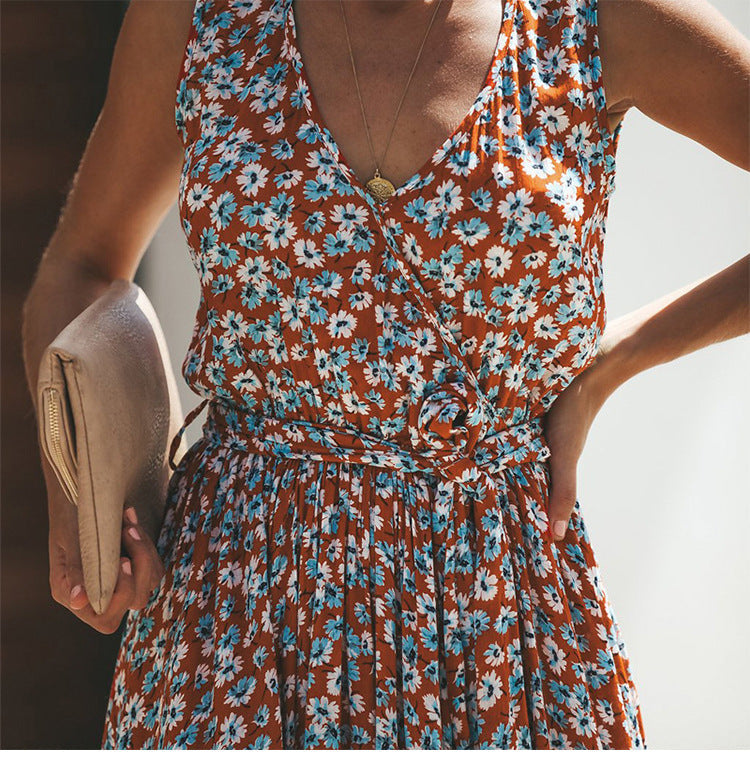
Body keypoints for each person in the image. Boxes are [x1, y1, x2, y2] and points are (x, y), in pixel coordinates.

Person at [21, 0, 749, 750]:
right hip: (237, 618)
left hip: (500, 622)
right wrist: (79, 494)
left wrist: (612, 360)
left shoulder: (592, 18)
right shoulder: (201, 15)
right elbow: (80, 265)